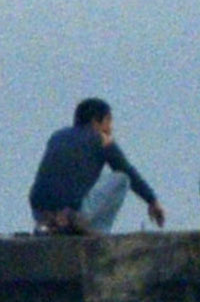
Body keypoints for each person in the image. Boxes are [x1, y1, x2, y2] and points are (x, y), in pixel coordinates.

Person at [29, 97, 168, 235]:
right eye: (108, 121)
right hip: (71, 210)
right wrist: (152, 201)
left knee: (92, 177)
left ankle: (53, 223)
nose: (111, 128)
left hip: (39, 211)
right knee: (122, 179)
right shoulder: (101, 139)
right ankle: (96, 231)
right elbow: (127, 171)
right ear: (96, 121)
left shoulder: (57, 136)